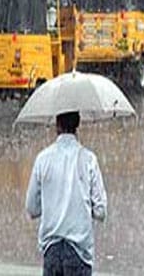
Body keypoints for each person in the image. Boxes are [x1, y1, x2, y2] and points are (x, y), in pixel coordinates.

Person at [25, 111, 107, 276]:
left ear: (57, 125)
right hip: (80, 253)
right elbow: (101, 211)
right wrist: (80, 207)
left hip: (51, 251)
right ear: (78, 124)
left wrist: (52, 203)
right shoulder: (89, 159)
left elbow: (32, 208)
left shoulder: (43, 159)